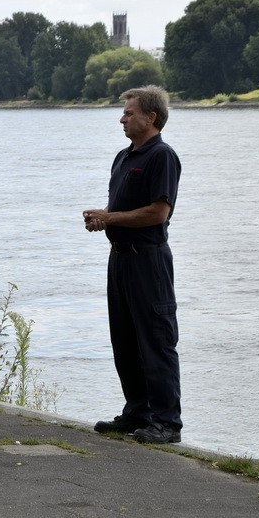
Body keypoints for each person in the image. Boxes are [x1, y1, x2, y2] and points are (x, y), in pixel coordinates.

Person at [84, 85, 183, 445]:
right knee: (124, 339)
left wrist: (111, 217)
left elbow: (158, 213)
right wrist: (105, 220)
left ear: (150, 117)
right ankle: (137, 411)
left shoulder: (162, 156)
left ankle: (167, 422)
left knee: (156, 339)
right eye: (123, 112)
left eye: (129, 112)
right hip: (121, 259)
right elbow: (123, 213)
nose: (122, 118)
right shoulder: (124, 157)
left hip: (149, 259)